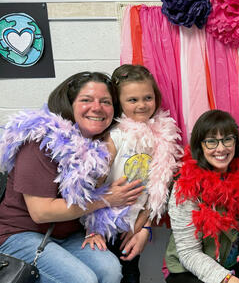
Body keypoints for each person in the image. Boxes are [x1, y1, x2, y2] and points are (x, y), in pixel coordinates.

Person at [0, 72, 144, 283]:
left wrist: (143, 226)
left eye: (106, 102)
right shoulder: (41, 142)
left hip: (68, 234)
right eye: (86, 100)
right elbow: (41, 212)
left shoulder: (106, 143)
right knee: (82, 280)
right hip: (20, 234)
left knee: (110, 271)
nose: (97, 107)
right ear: (69, 104)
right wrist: (106, 198)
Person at [81, 65, 183, 283]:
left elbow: (159, 188)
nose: (142, 105)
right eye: (133, 100)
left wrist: (142, 225)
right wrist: (93, 227)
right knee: (108, 275)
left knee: (130, 275)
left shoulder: (163, 137)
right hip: (104, 224)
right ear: (120, 102)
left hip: (133, 225)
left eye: (147, 97)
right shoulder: (115, 137)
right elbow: (93, 185)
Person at [164, 110, 239, 283]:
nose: (221, 148)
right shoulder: (186, 187)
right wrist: (225, 279)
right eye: (211, 142)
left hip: (231, 265)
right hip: (189, 271)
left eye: (227, 139)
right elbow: (188, 253)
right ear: (200, 146)